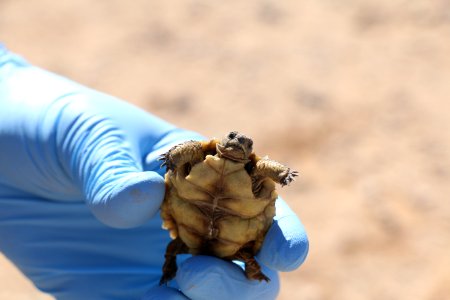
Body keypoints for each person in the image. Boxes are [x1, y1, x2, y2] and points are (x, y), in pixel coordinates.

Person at [0, 45, 309, 300]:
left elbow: (269, 171)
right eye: (234, 137)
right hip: (195, 226)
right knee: (175, 248)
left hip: (232, 237)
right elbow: (185, 152)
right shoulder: (203, 153)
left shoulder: (256, 171)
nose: (237, 142)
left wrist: (282, 174)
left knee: (248, 261)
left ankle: (250, 271)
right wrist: (172, 157)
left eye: (244, 143)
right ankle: (170, 274)